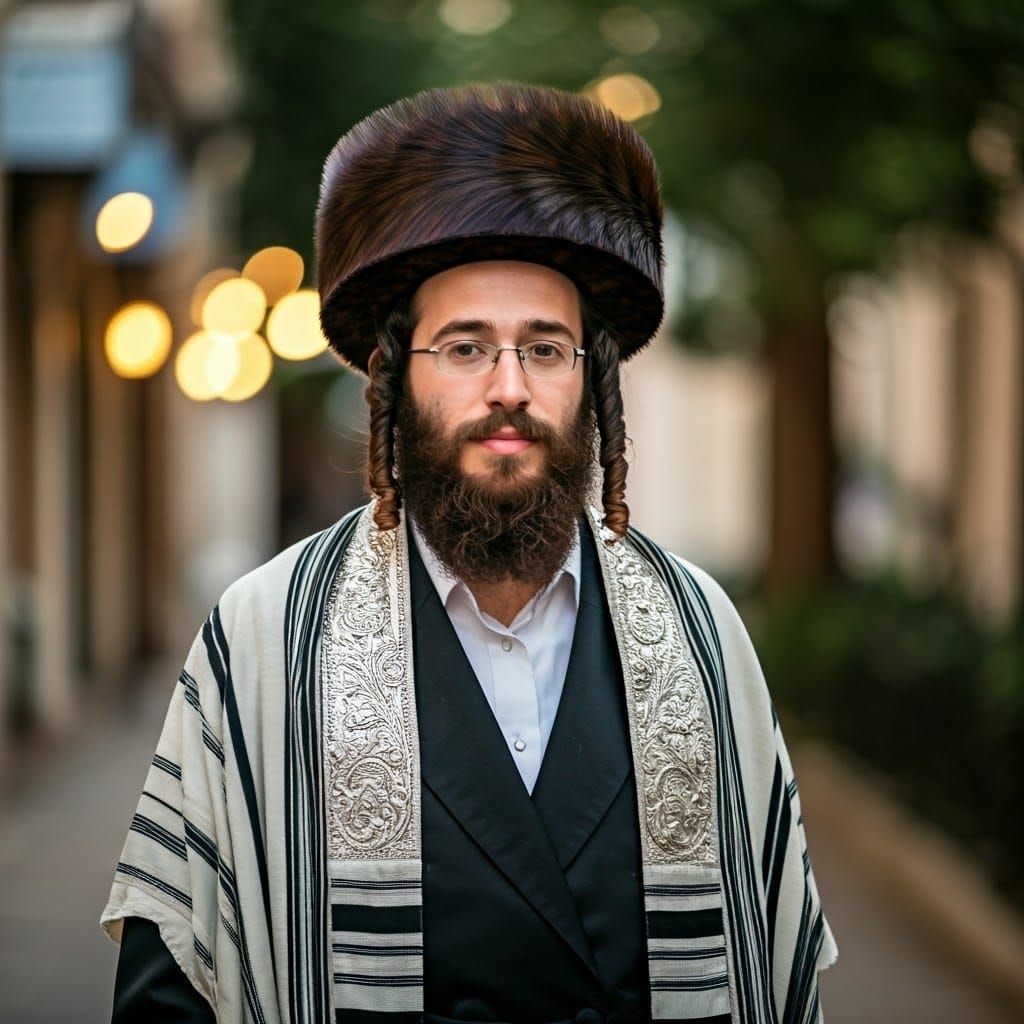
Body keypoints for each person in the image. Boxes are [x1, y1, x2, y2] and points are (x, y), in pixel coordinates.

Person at [103, 83, 837, 1024]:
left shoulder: (702, 635)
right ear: (391, 377)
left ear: (590, 379)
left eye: (545, 349)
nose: (508, 388)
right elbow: (174, 990)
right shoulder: (264, 635)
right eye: (463, 348)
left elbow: (775, 970)